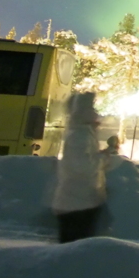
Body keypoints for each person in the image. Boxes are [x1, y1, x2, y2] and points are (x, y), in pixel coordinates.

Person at [52, 92, 106, 243]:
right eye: (91, 107)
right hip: (76, 204)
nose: (96, 112)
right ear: (82, 111)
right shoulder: (79, 135)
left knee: (76, 247)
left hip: (81, 202)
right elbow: (82, 166)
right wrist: (104, 158)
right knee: (74, 248)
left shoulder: (83, 132)